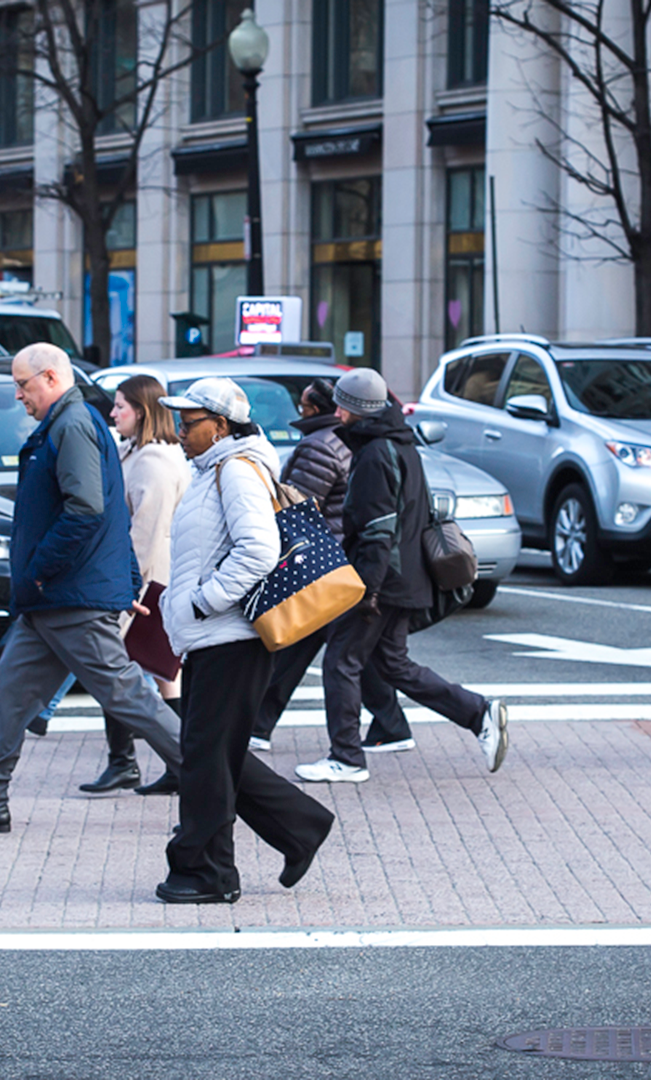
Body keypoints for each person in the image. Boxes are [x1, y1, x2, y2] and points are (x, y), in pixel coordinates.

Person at [0, 344, 183, 834]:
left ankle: (217, 783)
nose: (17, 395)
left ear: (49, 377)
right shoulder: (70, 425)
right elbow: (108, 510)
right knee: (7, 701)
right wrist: (114, 579)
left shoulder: (72, 425)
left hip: (69, 598)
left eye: (22, 384)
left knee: (130, 699)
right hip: (56, 598)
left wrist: (41, 568)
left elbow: (87, 510)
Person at [156, 377, 335, 903]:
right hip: (216, 637)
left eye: (189, 424)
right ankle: (299, 827)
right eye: (178, 422)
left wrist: (203, 601)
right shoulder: (216, 469)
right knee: (214, 753)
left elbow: (257, 550)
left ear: (221, 425)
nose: (179, 433)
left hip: (230, 635)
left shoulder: (236, 470)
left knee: (206, 759)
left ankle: (206, 873)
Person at [297, 368, 509, 784]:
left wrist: (367, 590)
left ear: (355, 409)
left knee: (342, 661)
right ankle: (479, 713)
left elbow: (378, 530)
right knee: (394, 665)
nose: (336, 413)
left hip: (380, 580)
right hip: (401, 576)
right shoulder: (398, 444)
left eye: (341, 405)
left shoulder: (375, 454)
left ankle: (346, 758)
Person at [248, 378, 407, 754]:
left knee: (304, 647)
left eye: (304, 405)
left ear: (319, 409)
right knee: (348, 653)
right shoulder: (349, 441)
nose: (299, 411)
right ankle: (390, 723)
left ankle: (261, 726)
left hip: (321, 563)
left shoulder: (318, 445)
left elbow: (298, 508)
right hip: (341, 561)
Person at [78, 374, 190, 795]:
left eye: (120, 406)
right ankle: (167, 765)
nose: (113, 412)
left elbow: (146, 531)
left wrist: (125, 588)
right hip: (151, 578)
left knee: (119, 670)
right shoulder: (140, 452)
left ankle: (126, 762)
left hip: (147, 581)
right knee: (161, 675)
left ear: (141, 411)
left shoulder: (154, 461)